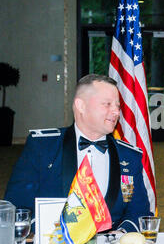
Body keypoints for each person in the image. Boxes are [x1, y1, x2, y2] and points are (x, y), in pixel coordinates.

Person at [4, 74, 152, 233]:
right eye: (107, 104)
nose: (116, 111)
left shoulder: (128, 156)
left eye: (117, 105)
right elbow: (17, 205)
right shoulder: (43, 147)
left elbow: (140, 211)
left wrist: (122, 234)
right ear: (81, 106)